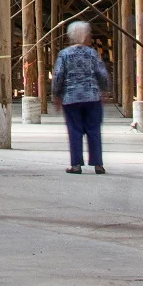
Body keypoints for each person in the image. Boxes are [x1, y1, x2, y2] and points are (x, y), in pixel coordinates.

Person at [52, 20, 111, 174]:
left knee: (74, 130)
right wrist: (104, 91)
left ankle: (76, 164)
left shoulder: (64, 54)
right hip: (92, 97)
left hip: (71, 98)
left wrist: (56, 95)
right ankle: (98, 164)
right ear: (86, 37)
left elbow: (58, 76)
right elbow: (102, 74)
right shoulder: (92, 54)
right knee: (94, 130)